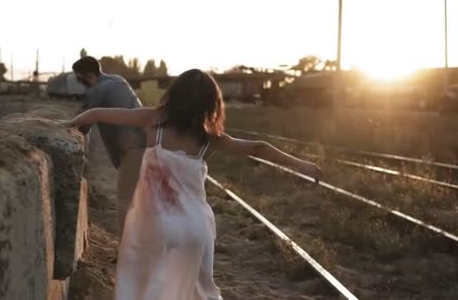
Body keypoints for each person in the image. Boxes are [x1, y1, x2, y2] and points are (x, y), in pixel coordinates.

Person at [63, 69, 321, 300]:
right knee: (195, 290)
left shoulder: (152, 120)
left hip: (156, 225)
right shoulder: (210, 138)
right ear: (211, 103)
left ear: (174, 94)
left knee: (146, 282)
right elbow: (259, 148)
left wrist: (69, 125)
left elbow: (95, 114)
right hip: (196, 228)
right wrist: (303, 166)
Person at [72, 56, 146, 238]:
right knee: (140, 199)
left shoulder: (99, 90)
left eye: (79, 78)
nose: (80, 83)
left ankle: (126, 250)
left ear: (88, 76)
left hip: (132, 148)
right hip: (144, 143)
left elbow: (81, 124)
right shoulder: (118, 80)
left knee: (125, 200)